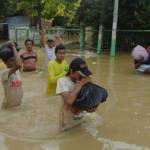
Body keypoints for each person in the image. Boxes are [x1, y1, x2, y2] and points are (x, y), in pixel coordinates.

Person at [56, 58, 95, 131]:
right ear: (71, 71)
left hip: (81, 120)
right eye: (81, 74)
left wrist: (91, 107)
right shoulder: (62, 81)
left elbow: (91, 99)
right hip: (67, 124)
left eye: (84, 74)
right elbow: (69, 100)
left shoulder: (83, 81)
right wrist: (81, 84)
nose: (83, 76)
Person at [0, 41, 23, 109]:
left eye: (14, 60)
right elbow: (19, 64)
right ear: (5, 62)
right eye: (11, 60)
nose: (14, 62)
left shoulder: (18, 71)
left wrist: (14, 50)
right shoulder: (4, 73)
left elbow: (19, 62)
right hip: (8, 107)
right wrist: (13, 47)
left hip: (17, 105)